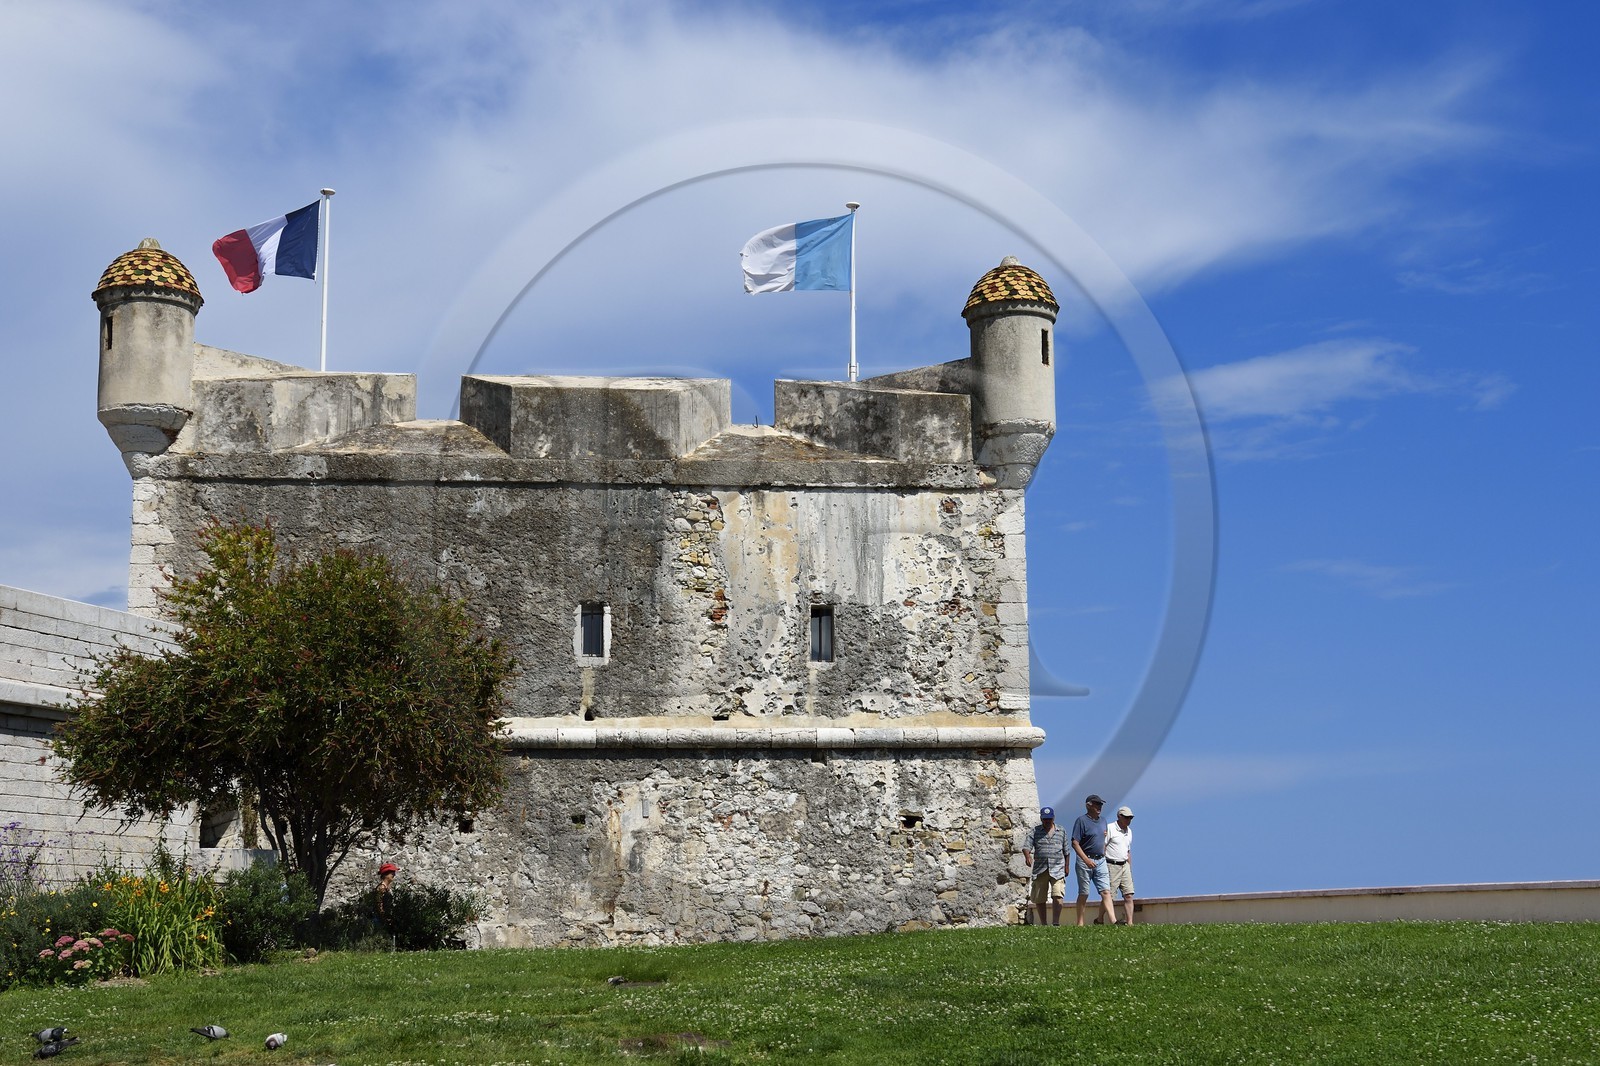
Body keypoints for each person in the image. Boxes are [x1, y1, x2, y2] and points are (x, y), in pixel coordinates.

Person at [1071, 794, 1116, 927]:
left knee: (1106, 891)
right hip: (1085, 860)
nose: (1099, 807)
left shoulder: (1103, 821)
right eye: (1096, 804)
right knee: (1084, 892)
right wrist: (1085, 860)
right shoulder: (1081, 821)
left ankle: (1114, 921)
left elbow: (1103, 838)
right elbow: (1075, 842)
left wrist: (1103, 853)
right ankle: (1080, 922)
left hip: (1100, 860)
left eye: (1100, 804)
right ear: (1088, 805)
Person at [1021, 806, 1070, 926]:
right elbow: (1026, 846)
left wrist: (1067, 866)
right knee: (1040, 898)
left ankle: (1055, 922)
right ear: (1041, 819)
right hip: (1040, 869)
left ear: (1053, 818)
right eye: (1045, 819)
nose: (1047, 821)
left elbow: (1066, 851)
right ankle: (1043, 923)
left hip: (1058, 868)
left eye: (1049, 819)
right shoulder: (1036, 831)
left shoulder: (1061, 831)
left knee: (1057, 894)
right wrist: (1028, 857)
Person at [1104, 805, 1136, 925]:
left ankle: (1130, 922)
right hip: (1111, 864)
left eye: (1130, 818)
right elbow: (1103, 846)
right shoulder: (1110, 828)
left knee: (1128, 894)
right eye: (1126, 817)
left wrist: (1129, 866)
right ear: (1119, 816)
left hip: (1124, 865)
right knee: (1109, 895)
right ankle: (1100, 918)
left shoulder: (1129, 831)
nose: (1129, 820)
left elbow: (1128, 851)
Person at [374, 862, 398, 934]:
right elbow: (379, 904)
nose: (394, 874)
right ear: (386, 874)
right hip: (381, 920)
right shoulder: (381, 888)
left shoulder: (386, 888)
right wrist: (384, 918)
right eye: (392, 873)